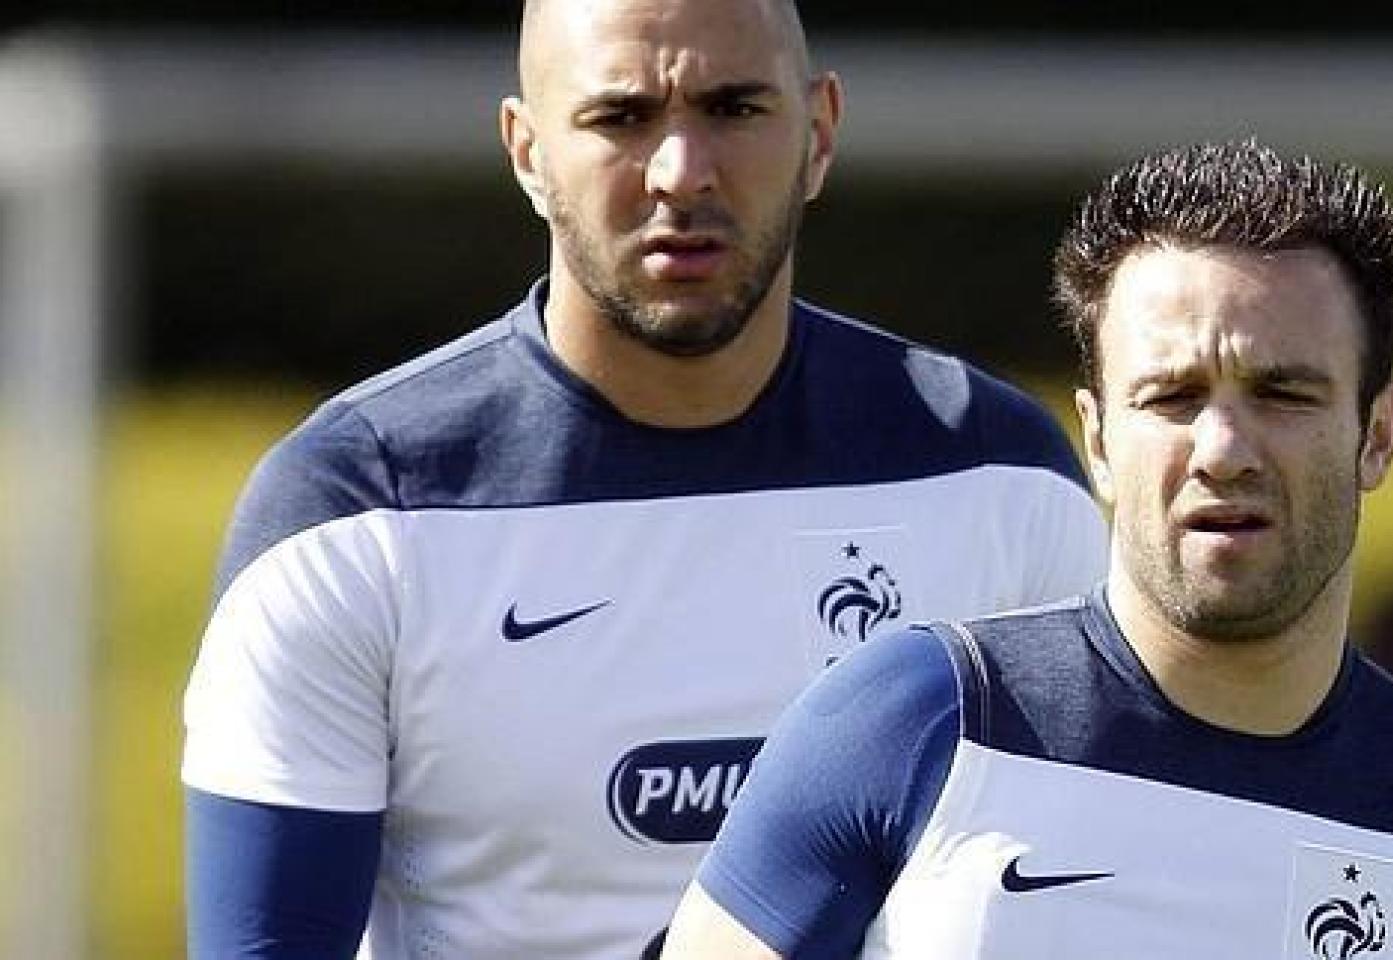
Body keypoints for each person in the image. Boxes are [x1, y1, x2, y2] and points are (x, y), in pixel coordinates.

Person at [178, 0, 1108, 956]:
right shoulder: (356, 516)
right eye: (621, 118)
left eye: (735, 108)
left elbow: (1103, 898)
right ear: (528, 151)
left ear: (819, 134)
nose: (682, 172)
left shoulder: (998, 479)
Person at [662, 140, 1393, 959]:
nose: (1222, 449)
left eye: (1284, 394)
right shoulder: (909, 726)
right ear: (1099, 440)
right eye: (1173, 397)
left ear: (1378, 434)